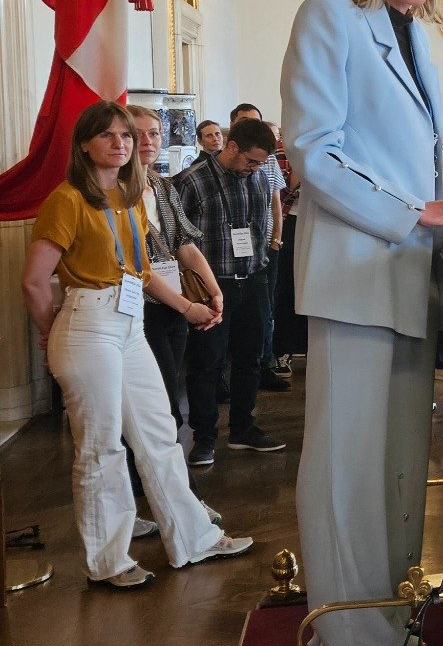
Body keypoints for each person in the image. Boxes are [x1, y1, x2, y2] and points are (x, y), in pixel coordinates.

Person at [280, 0, 443, 646]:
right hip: (355, 274)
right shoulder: (329, 17)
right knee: (345, 463)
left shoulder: (417, 40)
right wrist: (410, 211)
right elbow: (312, 154)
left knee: (397, 461)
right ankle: (345, 633)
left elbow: (409, 157)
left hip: (407, 274)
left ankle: (391, 614)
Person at [20, 101, 252, 588]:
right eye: (109, 136)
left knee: (159, 433)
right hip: (86, 324)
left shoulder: (128, 199)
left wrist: (190, 307)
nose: (121, 145)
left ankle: (193, 539)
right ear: (84, 144)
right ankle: (108, 561)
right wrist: (49, 332)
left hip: (127, 323)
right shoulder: (67, 200)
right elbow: (35, 281)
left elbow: (141, 272)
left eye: (126, 137)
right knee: (101, 446)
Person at [176, 116, 287, 467]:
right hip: (212, 286)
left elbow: (257, 227)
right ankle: (204, 437)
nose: (255, 168)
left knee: (251, 358)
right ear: (231, 147)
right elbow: (181, 241)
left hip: (252, 279)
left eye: (261, 163)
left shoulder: (255, 179)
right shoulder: (192, 182)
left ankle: (243, 428)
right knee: (207, 363)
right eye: (251, 160)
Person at [126, 104, 220, 428]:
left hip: (175, 305)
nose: (147, 141)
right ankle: (163, 477)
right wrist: (186, 307)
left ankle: (170, 474)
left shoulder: (163, 187)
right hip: (140, 307)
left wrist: (213, 292)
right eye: (137, 134)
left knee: (170, 394)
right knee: (160, 401)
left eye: (154, 133)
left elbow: (185, 245)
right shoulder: (114, 194)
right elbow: (135, 267)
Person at [230, 101, 288, 395]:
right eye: (244, 121)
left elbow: (275, 202)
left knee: (265, 310)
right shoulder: (222, 164)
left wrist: (276, 239)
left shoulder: (268, 162)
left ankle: (264, 364)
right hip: (232, 257)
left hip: (265, 247)